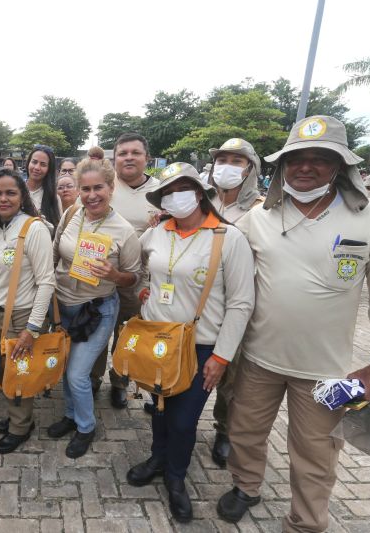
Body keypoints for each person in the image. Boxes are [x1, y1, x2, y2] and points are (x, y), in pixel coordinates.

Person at [216, 116, 370, 533]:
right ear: (283, 165)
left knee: (316, 452)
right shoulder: (258, 218)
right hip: (258, 357)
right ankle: (246, 487)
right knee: (245, 433)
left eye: (321, 159)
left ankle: (305, 522)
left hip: (324, 368)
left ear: (341, 165)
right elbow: (218, 254)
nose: (306, 167)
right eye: (296, 158)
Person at [126, 162, 255, 522]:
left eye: (182, 189)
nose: (174, 198)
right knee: (160, 407)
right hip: (158, 339)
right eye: (167, 193)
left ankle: (175, 476)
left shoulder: (228, 238)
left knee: (184, 418)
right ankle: (157, 457)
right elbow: (139, 269)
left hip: (201, 345)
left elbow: (242, 302)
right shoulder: (157, 233)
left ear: (199, 193)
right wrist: (143, 290)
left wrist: (222, 356)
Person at [49, 157, 141, 458]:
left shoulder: (124, 230)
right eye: (85, 188)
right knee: (65, 365)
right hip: (64, 305)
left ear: (111, 187)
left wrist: (114, 276)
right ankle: (71, 415)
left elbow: (133, 277)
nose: (92, 195)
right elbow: (55, 252)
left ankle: (86, 427)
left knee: (77, 373)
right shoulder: (72, 213)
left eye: (98, 187)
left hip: (98, 309)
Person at [0, 169, 56, 454]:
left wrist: (32, 328)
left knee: (18, 374)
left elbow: (46, 281)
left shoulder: (32, 228)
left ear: (22, 196)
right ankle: (17, 417)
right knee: (1, 370)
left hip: (23, 315)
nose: (3, 198)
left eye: (10, 192)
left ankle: (20, 426)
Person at [206, 138, 264, 467]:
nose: (227, 166)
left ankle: (224, 429)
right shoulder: (203, 201)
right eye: (222, 159)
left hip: (235, 304)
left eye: (237, 161)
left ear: (251, 169)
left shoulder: (260, 210)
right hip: (198, 300)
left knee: (229, 374)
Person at [92, 133, 161, 408]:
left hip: (137, 282)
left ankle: (120, 380)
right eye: (122, 153)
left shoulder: (161, 193)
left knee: (127, 335)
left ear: (147, 158)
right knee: (96, 332)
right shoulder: (104, 187)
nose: (129, 158)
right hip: (98, 278)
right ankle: (92, 377)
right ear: (114, 158)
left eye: (135, 153)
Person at [24, 145, 61, 227]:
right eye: (34, 162)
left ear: (49, 169)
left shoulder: (54, 199)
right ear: (28, 163)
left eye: (43, 164)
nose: (37, 167)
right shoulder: (15, 191)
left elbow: (57, 230)